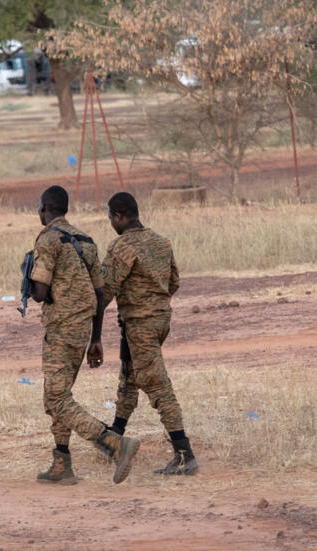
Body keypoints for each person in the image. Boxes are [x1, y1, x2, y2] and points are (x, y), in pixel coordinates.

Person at [28, 185, 140, 485]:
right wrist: (96, 338)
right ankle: (61, 462)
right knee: (58, 394)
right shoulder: (85, 241)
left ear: (44, 208)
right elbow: (100, 293)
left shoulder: (48, 240)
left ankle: (113, 444)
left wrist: (27, 280)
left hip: (61, 329)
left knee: (56, 397)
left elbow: (39, 292)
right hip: (81, 331)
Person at [92, 191, 198, 475]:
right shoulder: (162, 242)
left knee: (158, 386)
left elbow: (106, 292)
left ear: (118, 216)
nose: (111, 222)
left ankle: (184, 453)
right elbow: (173, 281)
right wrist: (155, 302)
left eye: (110, 217)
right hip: (160, 320)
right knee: (129, 376)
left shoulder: (121, 247)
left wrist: (93, 331)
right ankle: (114, 437)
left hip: (140, 324)